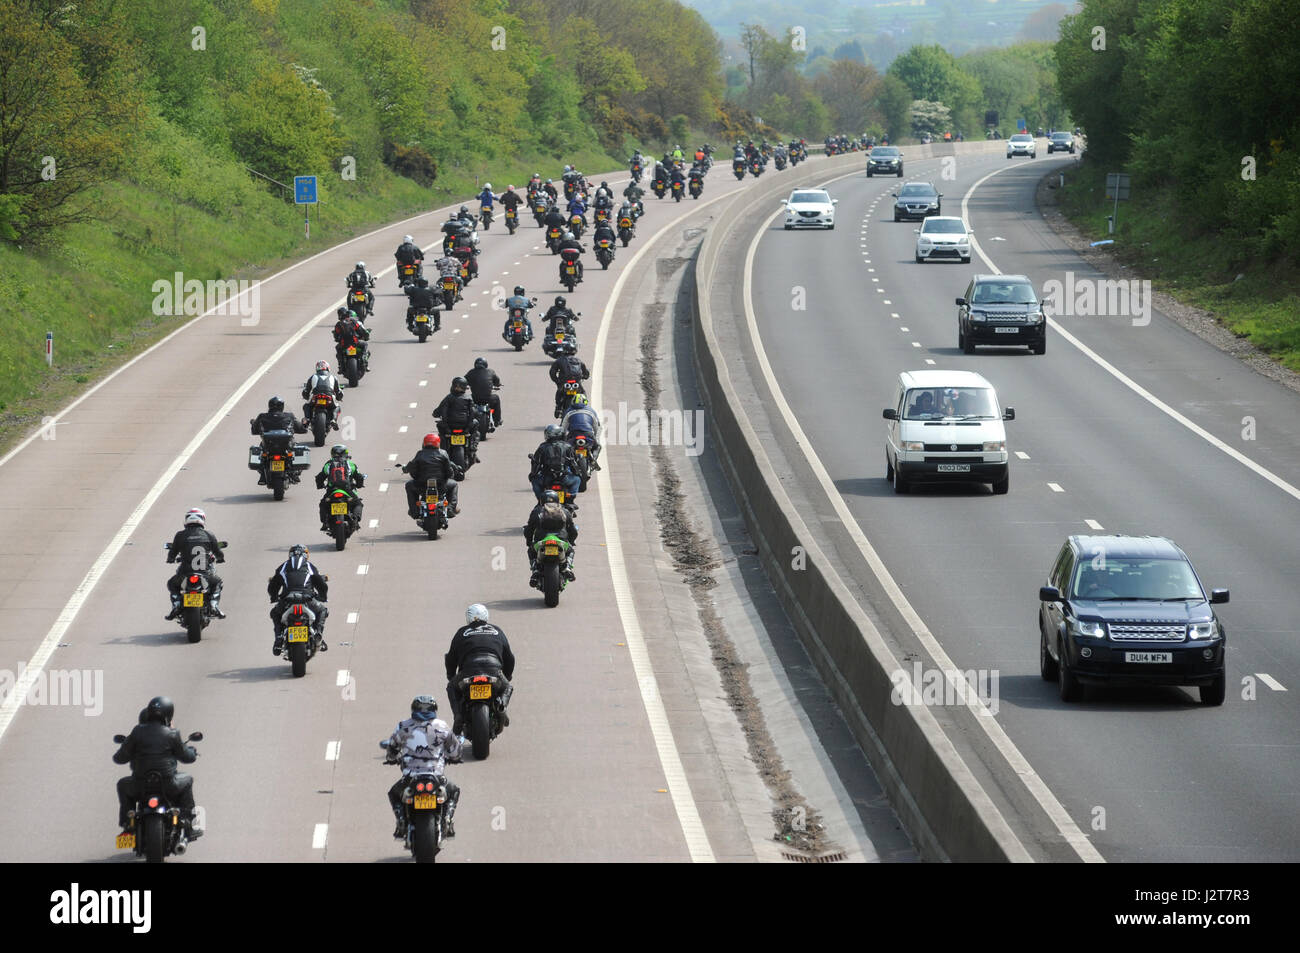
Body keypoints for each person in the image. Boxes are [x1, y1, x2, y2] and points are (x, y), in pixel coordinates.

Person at [113, 696, 201, 839]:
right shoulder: (173, 734)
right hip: (168, 785)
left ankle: (127, 824)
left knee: (122, 784)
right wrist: (193, 752)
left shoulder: (137, 732)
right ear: (169, 714)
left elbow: (119, 758)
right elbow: (187, 757)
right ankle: (188, 824)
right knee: (188, 780)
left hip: (140, 786)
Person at [385, 695, 462, 839]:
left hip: (410, 776)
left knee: (394, 793)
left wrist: (391, 758)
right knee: (453, 791)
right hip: (436, 776)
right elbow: (455, 750)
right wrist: (455, 758)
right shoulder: (442, 726)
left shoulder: (403, 726)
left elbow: (392, 748)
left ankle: (401, 820)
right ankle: (447, 818)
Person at [445, 604, 515, 736]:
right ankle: (502, 707)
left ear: (468, 618)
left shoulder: (462, 632)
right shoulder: (496, 630)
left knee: (451, 687)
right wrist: (507, 676)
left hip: (469, 670)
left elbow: (451, 657)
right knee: (507, 687)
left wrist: (451, 676)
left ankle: (458, 716)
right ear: (486, 616)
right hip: (493, 670)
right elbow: (509, 657)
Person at [165, 508, 226, 620]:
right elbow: (218, 551)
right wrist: (221, 558)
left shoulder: (180, 535)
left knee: (172, 584)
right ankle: (213, 605)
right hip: (205, 573)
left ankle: (177, 604)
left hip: (185, 573)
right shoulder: (208, 535)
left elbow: (172, 552)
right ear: (202, 519)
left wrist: (170, 559)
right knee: (217, 582)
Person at [267, 544, 329, 655]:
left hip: (287, 600)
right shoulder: (309, 566)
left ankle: (278, 638)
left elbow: (273, 586)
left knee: (275, 613)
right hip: (306, 599)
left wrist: (274, 597)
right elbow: (321, 584)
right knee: (322, 610)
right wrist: (323, 597)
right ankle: (318, 633)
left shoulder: (283, 567)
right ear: (306, 555)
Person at [525, 489, 578, 584]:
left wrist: (529, 542)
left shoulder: (536, 511)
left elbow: (529, 529)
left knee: (531, 551)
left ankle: (535, 570)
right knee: (570, 551)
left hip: (541, 540)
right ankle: (567, 567)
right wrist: (572, 541)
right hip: (561, 539)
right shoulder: (564, 511)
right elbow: (573, 530)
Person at [403, 433, 462, 518]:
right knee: (454, 485)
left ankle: (414, 510)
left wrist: (414, 475)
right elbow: (449, 471)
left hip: (422, 486)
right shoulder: (443, 453)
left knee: (409, 485)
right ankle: (451, 508)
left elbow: (413, 469)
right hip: (441, 486)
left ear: (424, 443)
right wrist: (450, 476)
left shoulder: (420, 454)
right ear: (438, 443)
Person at [315, 444, 365, 532]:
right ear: (345, 453)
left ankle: (325, 523)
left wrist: (320, 485)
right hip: (347, 490)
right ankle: (356, 521)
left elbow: (320, 477)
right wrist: (359, 485)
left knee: (323, 504)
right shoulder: (350, 464)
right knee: (358, 504)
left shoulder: (328, 464)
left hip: (332, 491)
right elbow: (359, 477)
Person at [432, 376, 481, 464]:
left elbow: (439, 410)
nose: (458, 387)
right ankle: (472, 448)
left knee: (439, 426)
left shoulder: (449, 397)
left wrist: (435, 414)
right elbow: (474, 412)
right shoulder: (468, 398)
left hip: (450, 427)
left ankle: (443, 449)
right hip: (465, 427)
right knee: (476, 427)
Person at [529, 424, 582, 502]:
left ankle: (540, 499)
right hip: (564, 478)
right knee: (577, 479)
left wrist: (532, 475)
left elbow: (537, 464)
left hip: (547, 479)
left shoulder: (542, 447)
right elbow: (573, 463)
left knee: (535, 481)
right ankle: (571, 498)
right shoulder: (568, 446)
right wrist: (578, 473)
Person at [562, 393, 602, 472]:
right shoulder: (591, 411)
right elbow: (598, 427)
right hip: (588, 434)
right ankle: (593, 459)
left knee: (564, 448)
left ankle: (565, 464)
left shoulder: (568, 411)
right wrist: (597, 440)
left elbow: (563, 427)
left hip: (573, 434)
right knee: (598, 446)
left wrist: (562, 439)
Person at [302, 360, 343, 429]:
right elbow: (339, 392)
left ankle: (307, 419)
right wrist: (339, 398)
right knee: (336, 407)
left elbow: (306, 391)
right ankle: (333, 419)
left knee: (306, 405)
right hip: (329, 397)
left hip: (315, 396)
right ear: (328, 368)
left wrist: (306, 397)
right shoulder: (333, 377)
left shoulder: (313, 377)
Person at [549, 350, 590, 417]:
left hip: (564, 383)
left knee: (559, 392)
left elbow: (552, 373)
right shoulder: (578, 360)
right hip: (576, 383)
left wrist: (557, 381)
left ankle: (558, 408)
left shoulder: (559, 360)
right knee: (583, 393)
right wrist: (585, 376)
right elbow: (586, 373)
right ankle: (586, 409)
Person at [466, 356, 503, 427]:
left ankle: (467, 421)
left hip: (475, 398)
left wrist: (466, 386)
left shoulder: (471, 372)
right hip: (488, 398)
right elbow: (497, 381)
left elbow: (463, 381)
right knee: (496, 398)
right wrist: (498, 384)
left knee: (466, 403)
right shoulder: (491, 371)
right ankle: (497, 420)